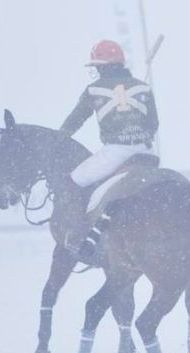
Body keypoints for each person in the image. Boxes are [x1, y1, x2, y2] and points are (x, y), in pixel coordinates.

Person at [56, 39, 159, 256]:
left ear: (101, 67)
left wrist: (60, 137)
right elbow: (153, 125)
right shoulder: (142, 86)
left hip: (116, 153)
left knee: (71, 182)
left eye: (96, 67)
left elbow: (75, 120)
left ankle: (77, 235)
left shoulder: (94, 90)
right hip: (147, 152)